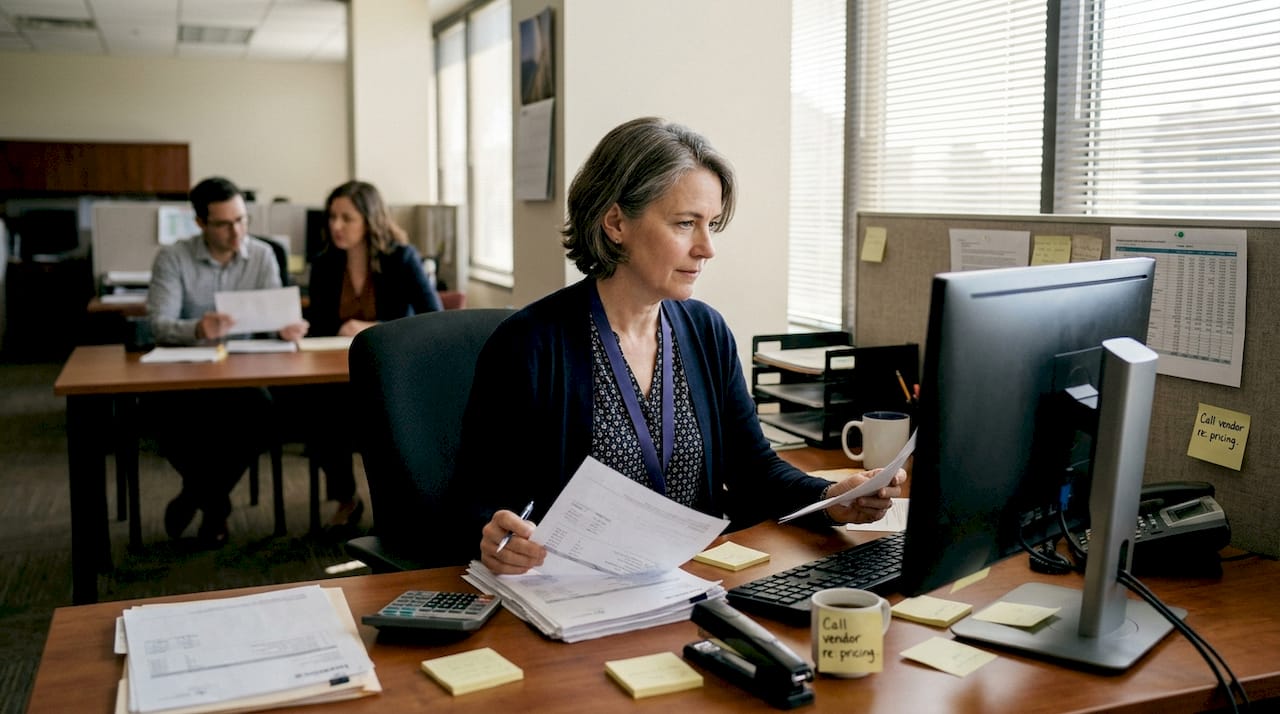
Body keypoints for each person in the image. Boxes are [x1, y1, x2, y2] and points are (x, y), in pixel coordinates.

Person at [453, 117, 905, 575]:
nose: (706, 248)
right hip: (574, 594)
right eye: (686, 224)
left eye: (711, 225)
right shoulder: (528, 345)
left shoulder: (706, 331)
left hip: (692, 582)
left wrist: (832, 499)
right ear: (615, 222)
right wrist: (496, 535)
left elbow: (754, 471)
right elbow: (473, 504)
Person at [147, 176, 309, 546]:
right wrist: (199, 329)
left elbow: (274, 319)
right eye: (223, 224)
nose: (237, 232)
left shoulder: (263, 255)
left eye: (241, 220)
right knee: (161, 414)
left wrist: (284, 330)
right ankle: (216, 503)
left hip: (243, 372)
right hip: (185, 373)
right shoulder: (173, 258)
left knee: (263, 413)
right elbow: (159, 325)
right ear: (201, 223)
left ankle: (197, 496)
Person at [303, 180, 443, 530]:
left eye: (346, 218)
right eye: (332, 217)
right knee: (318, 415)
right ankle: (346, 498)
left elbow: (435, 317)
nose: (336, 226)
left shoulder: (401, 258)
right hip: (336, 370)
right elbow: (318, 323)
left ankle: (399, 506)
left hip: (394, 373)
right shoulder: (323, 265)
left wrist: (374, 326)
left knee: (382, 422)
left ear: (369, 219)